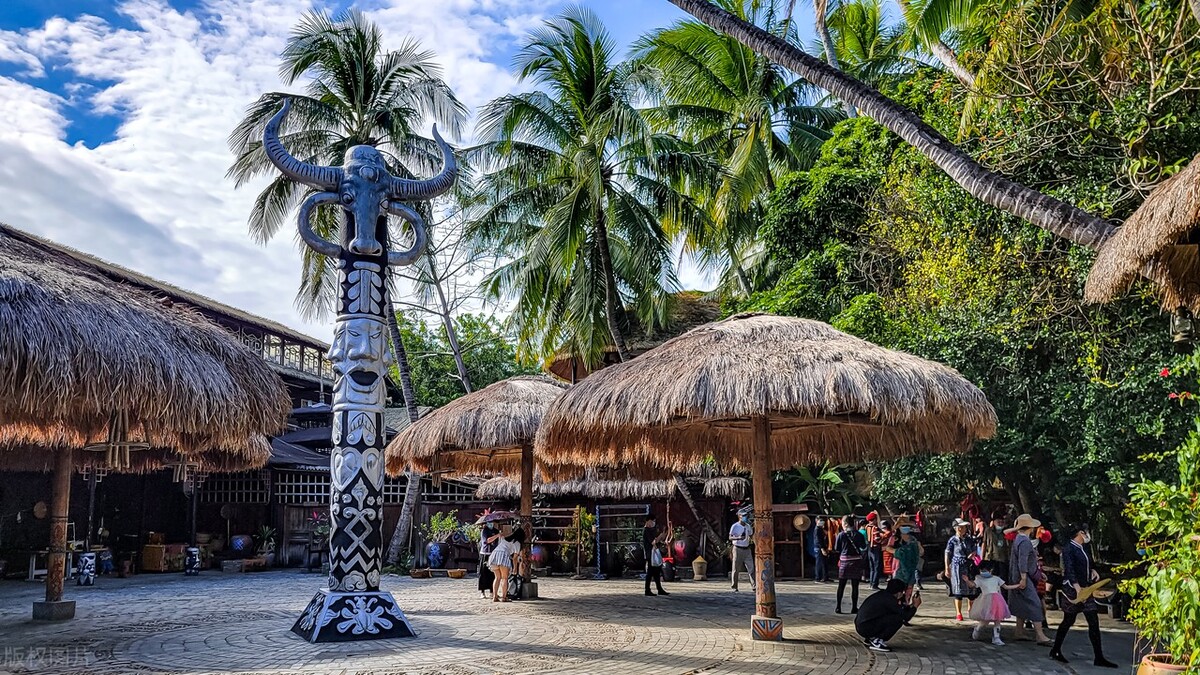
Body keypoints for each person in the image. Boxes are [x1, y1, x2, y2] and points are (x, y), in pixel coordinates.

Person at [1049, 524, 1117, 668]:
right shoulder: (1069, 549)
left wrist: (1092, 570)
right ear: (1080, 533)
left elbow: (1088, 563)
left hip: (1086, 586)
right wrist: (1077, 587)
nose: (1087, 536)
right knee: (1069, 619)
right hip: (1074, 589)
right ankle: (1055, 649)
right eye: (1086, 533)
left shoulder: (1084, 548)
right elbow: (1069, 569)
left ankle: (1099, 657)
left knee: (1093, 620)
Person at [1006, 513, 1052, 644]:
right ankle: (1040, 634)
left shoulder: (1018, 539)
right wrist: (1024, 577)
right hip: (1022, 577)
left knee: (1020, 602)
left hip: (1017, 575)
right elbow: (1023, 561)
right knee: (1035, 603)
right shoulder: (1024, 541)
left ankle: (1019, 631)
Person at [855, 578, 921, 653]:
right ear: (899, 593)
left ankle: (871, 638)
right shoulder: (890, 600)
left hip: (862, 625)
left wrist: (911, 605)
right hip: (866, 627)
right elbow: (905, 617)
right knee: (898, 619)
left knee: (892, 616)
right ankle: (877, 640)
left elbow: (899, 610)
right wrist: (915, 606)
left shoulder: (884, 595)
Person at [966, 561, 1016, 645]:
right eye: (981, 570)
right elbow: (973, 585)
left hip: (997, 601)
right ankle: (977, 629)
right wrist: (967, 581)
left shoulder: (996, 578)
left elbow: (1006, 586)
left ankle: (996, 637)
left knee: (997, 619)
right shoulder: (979, 578)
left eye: (985, 570)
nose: (983, 572)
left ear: (991, 570)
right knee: (985, 620)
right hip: (986, 601)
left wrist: (1017, 586)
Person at [944, 518, 977, 621]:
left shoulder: (969, 539)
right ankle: (958, 612)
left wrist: (973, 554)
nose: (964, 529)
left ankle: (971, 609)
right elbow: (947, 553)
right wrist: (947, 567)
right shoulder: (952, 540)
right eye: (962, 527)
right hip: (957, 566)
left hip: (968, 565)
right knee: (958, 589)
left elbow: (975, 549)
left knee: (971, 589)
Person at [834, 515, 867, 614]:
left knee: (841, 585)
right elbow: (863, 546)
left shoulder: (841, 535)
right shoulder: (859, 534)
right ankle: (854, 607)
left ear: (845, 524)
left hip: (844, 562)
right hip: (856, 562)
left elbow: (837, 548)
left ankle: (838, 607)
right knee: (855, 586)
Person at [887, 518, 921, 598]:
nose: (905, 527)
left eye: (907, 525)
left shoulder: (913, 539)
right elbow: (888, 548)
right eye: (903, 525)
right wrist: (898, 552)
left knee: (909, 590)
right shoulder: (895, 538)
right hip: (898, 567)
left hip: (911, 566)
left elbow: (920, 551)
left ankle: (906, 605)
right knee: (897, 589)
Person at [487, 524, 518, 603]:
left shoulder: (504, 538)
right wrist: (515, 568)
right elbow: (515, 557)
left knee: (497, 577)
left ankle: (494, 596)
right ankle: (504, 597)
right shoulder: (517, 543)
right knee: (504, 578)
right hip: (503, 556)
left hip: (494, 555)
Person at [729, 509, 755, 592]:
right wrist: (738, 538)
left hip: (747, 548)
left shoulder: (748, 526)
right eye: (743, 516)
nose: (745, 517)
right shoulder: (735, 526)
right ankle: (734, 586)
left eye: (746, 516)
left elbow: (751, 535)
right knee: (736, 568)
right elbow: (730, 537)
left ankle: (754, 585)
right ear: (739, 516)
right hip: (737, 548)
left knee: (751, 568)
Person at [981, 513, 1011, 584]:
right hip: (991, 558)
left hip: (1003, 559)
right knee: (991, 579)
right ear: (994, 522)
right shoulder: (988, 531)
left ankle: (1003, 594)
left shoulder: (1006, 532)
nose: (1000, 524)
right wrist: (982, 557)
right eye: (998, 522)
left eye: (1002, 522)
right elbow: (984, 543)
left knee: (1003, 580)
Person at [478, 522, 499, 599]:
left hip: (493, 553)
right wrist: (497, 536)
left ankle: (492, 591)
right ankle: (482, 592)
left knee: (493, 573)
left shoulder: (496, 531)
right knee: (483, 573)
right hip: (485, 553)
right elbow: (487, 541)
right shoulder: (484, 531)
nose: (491, 524)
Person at [866, 513, 885, 590]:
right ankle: (875, 584)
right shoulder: (875, 528)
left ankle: (871, 583)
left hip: (869, 548)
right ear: (873, 520)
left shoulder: (867, 527)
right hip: (875, 548)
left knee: (872, 567)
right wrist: (883, 538)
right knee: (877, 567)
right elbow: (877, 539)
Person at [813, 516, 830, 583]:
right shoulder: (817, 529)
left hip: (823, 547)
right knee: (819, 563)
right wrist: (822, 548)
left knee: (824, 563)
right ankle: (818, 577)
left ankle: (825, 577)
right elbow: (818, 540)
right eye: (820, 521)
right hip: (819, 548)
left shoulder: (821, 529)